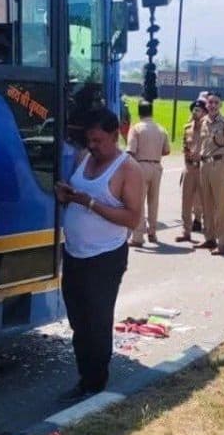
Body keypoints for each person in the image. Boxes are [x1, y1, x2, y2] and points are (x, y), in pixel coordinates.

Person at [54, 108, 143, 401]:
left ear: (115, 135)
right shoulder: (83, 158)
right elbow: (76, 196)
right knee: (78, 320)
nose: (92, 146)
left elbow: (132, 218)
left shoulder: (128, 169)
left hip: (105, 257)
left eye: (98, 141)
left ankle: (95, 384)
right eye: (89, 140)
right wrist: (66, 196)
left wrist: (90, 203)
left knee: (97, 321)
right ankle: (85, 377)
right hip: (74, 253)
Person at [197, 92, 224, 255]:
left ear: (220, 105)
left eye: (216, 102)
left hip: (219, 164)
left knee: (221, 206)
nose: (212, 105)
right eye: (210, 102)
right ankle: (210, 238)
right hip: (204, 165)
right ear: (206, 104)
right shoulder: (203, 122)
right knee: (206, 204)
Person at [126, 99, 171, 246]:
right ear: (151, 112)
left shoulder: (136, 128)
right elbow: (167, 150)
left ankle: (138, 236)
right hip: (156, 166)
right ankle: (152, 232)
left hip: (141, 166)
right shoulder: (161, 129)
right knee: (153, 201)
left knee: (139, 202)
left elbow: (131, 151)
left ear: (139, 112)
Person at [176, 99, 207, 242]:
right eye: (194, 110)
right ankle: (186, 231)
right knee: (186, 201)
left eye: (198, 110)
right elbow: (185, 148)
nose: (195, 112)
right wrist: (186, 166)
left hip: (203, 168)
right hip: (189, 167)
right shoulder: (187, 128)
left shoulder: (208, 130)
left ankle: (209, 233)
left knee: (205, 201)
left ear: (204, 113)